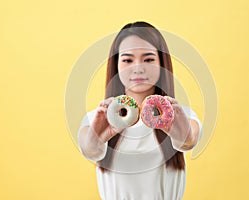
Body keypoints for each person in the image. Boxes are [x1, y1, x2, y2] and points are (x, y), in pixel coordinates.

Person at [78, 21, 202, 200]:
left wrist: (181, 133)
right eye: (128, 60)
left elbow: (188, 141)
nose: (138, 68)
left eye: (149, 59)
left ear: (162, 62)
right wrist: (96, 136)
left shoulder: (183, 115)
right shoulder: (95, 119)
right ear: (116, 65)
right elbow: (89, 149)